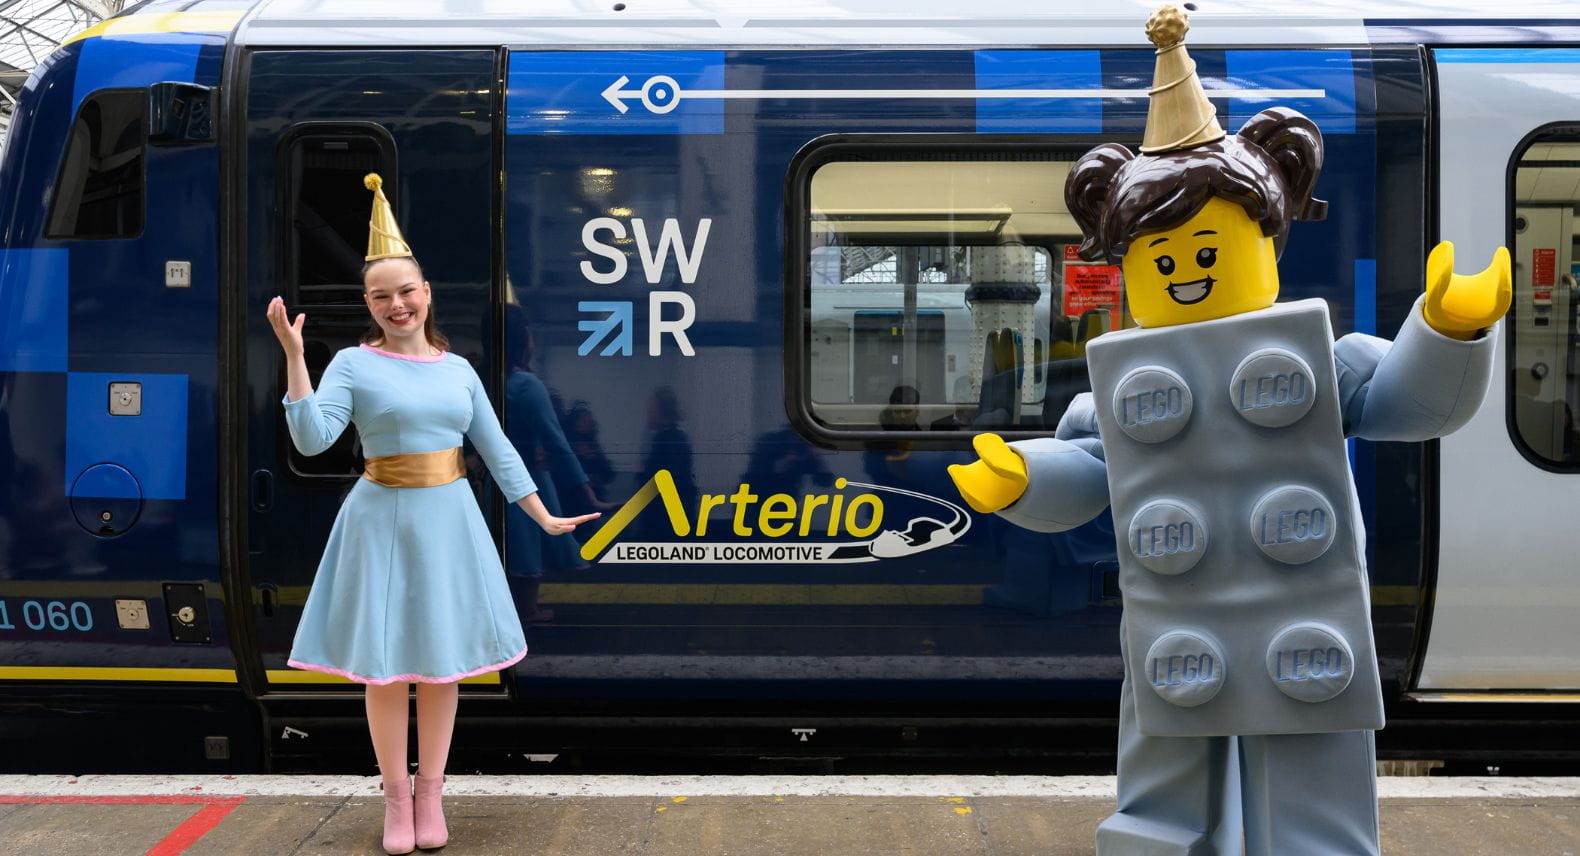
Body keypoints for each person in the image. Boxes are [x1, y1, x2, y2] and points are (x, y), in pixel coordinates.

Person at [949, 7, 1509, 855]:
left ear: (1265, 242)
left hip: (1303, 617)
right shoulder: (1122, 385)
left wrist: (1447, 331)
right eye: (1161, 259)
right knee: (1167, 779)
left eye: (1206, 250)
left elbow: (1410, 404)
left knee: (1311, 780)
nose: (1183, 272)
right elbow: (1090, 468)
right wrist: (1023, 478)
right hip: (1179, 622)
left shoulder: (1323, 361)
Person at [265, 173, 596, 855]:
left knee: (443, 668)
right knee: (386, 670)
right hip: (379, 520)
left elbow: (498, 452)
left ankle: (430, 795)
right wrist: (296, 360)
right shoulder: (352, 363)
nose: (397, 305)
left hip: (449, 521)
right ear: (368, 303)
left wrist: (543, 517)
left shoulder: (458, 370)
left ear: (427, 293)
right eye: (381, 296)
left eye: (406, 291)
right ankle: (395, 798)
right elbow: (313, 438)